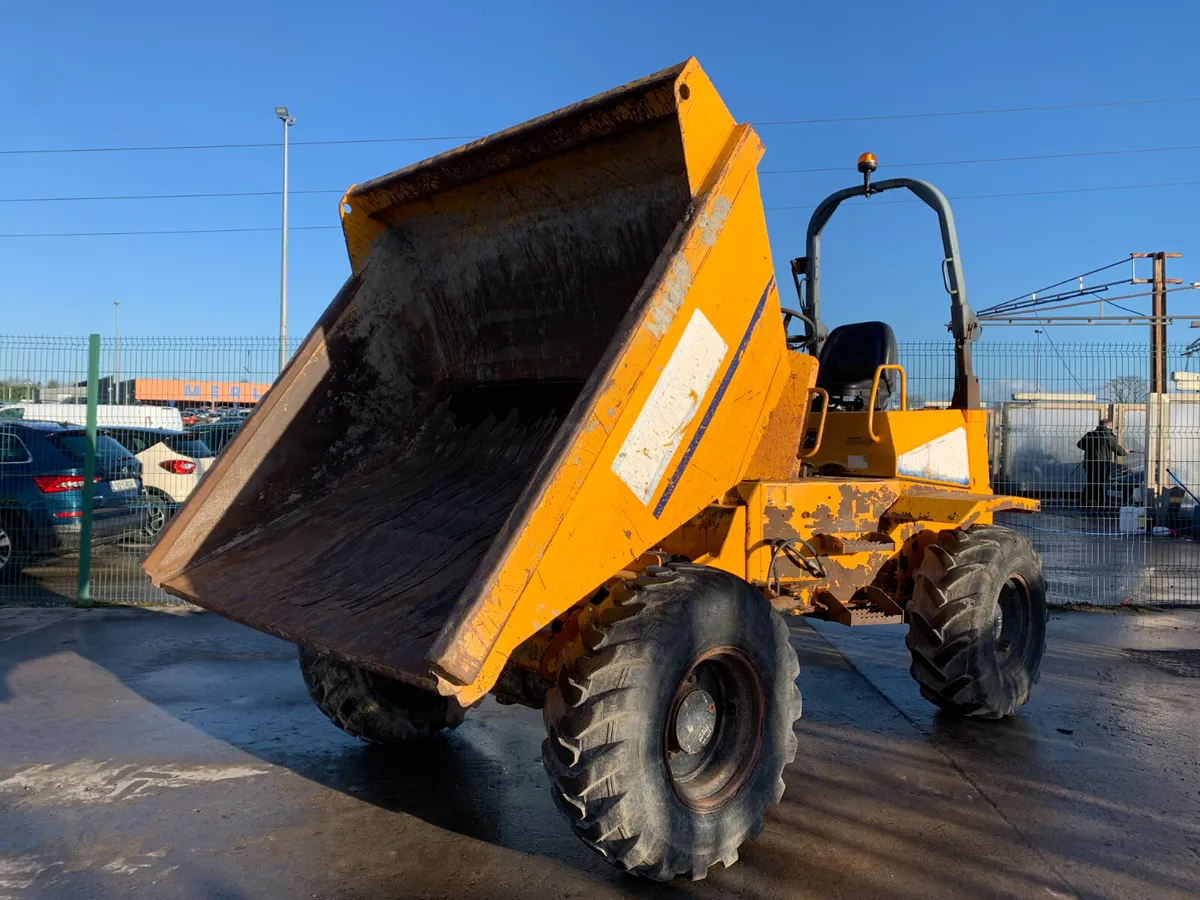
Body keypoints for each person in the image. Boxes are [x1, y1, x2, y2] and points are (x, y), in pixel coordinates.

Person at [1077, 418, 1127, 508]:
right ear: (1108, 426)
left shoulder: (1090, 434)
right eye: (1111, 426)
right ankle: (1100, 503)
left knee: (1091, 482)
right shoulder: (1108, 436)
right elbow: (1118, 450)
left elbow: (1079, 444)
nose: (1112, 427)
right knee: (1101, 483)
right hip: (1102, 464)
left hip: (1089, 463)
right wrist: (1125, 452)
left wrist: (1091, 449)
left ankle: (1084, 501)